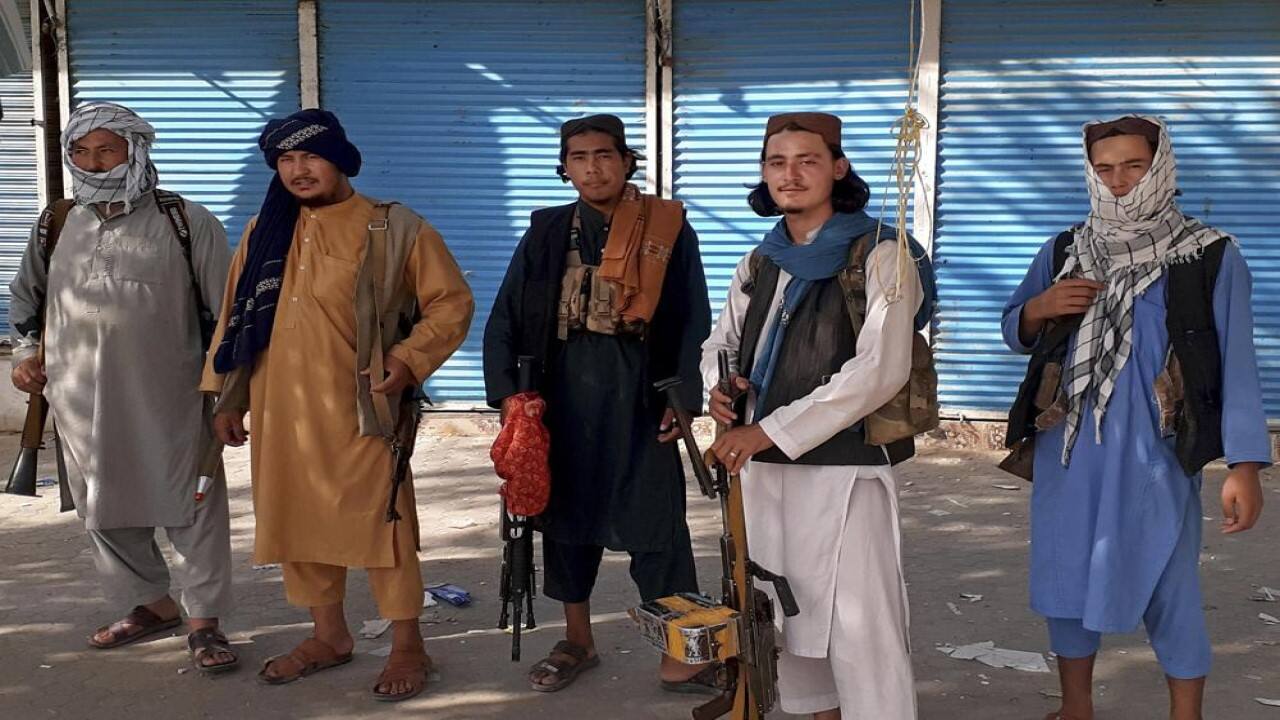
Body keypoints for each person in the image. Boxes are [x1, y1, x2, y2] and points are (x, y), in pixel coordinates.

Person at [1001, 115, 1269, 720]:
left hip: (1157, 453)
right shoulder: (1066, 250)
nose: (1119, 181)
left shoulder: (1208, 256)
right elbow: (1015, 329)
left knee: (1168, 581)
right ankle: (1076, 707)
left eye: (1133, 166)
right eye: (1104, 169)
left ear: (1160, 166)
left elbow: (1239, 364)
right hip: (1067, 451)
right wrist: (1039, 308)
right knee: (1066, 578)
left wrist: (1244, 466)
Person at [200, 109, 474, 702]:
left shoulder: (394, 226)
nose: (298, 171)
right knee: (297, 523)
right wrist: (228, 399)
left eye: (310, 157)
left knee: (383, 524)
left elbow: (450, 303)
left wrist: (407, 360)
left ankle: (408, 643)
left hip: (363, 409)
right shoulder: (263, 231)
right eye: (286, 161)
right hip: (281, 409)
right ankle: (328, 636)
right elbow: (236, 319)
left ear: (340, 159)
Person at [701, 112, 935, 719]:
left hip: (844, 469)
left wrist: (770, 429)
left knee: (862, 625)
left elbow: (880, 368)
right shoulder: (762, 259)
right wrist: (718, 388)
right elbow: (719, 342)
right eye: (776, 162)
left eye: (807, 160)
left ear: (838, 168)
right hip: (762, 471)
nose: (791, 174)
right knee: (785, 613)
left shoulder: (881, 252)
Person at [483, 114, 714, 694]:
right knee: (564, 523)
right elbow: (506, 317)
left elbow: (693, 317)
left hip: (642, 399)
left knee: (657, 525)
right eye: (579, 157)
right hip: (563, 404)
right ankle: (577, 640)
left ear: (628, 161)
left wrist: (682, 396)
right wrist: (512, 398)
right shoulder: (545, 232)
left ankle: (683, 652)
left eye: (605, 154)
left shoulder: (668, 228)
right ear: (565, 168)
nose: (593, 166)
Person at [9, 101, 237, 672]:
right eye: (81, 151)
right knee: (102, 505)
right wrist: (28, 353)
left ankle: (205, 623)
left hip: (173, 395)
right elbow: (25, 302)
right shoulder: (58, 221)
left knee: (192, 503)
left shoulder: (186, 221)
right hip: (80, 400)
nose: (93, 161)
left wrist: (230, 393)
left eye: (107, 149)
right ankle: (152, 605)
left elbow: (228, 315)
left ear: (135, 150)